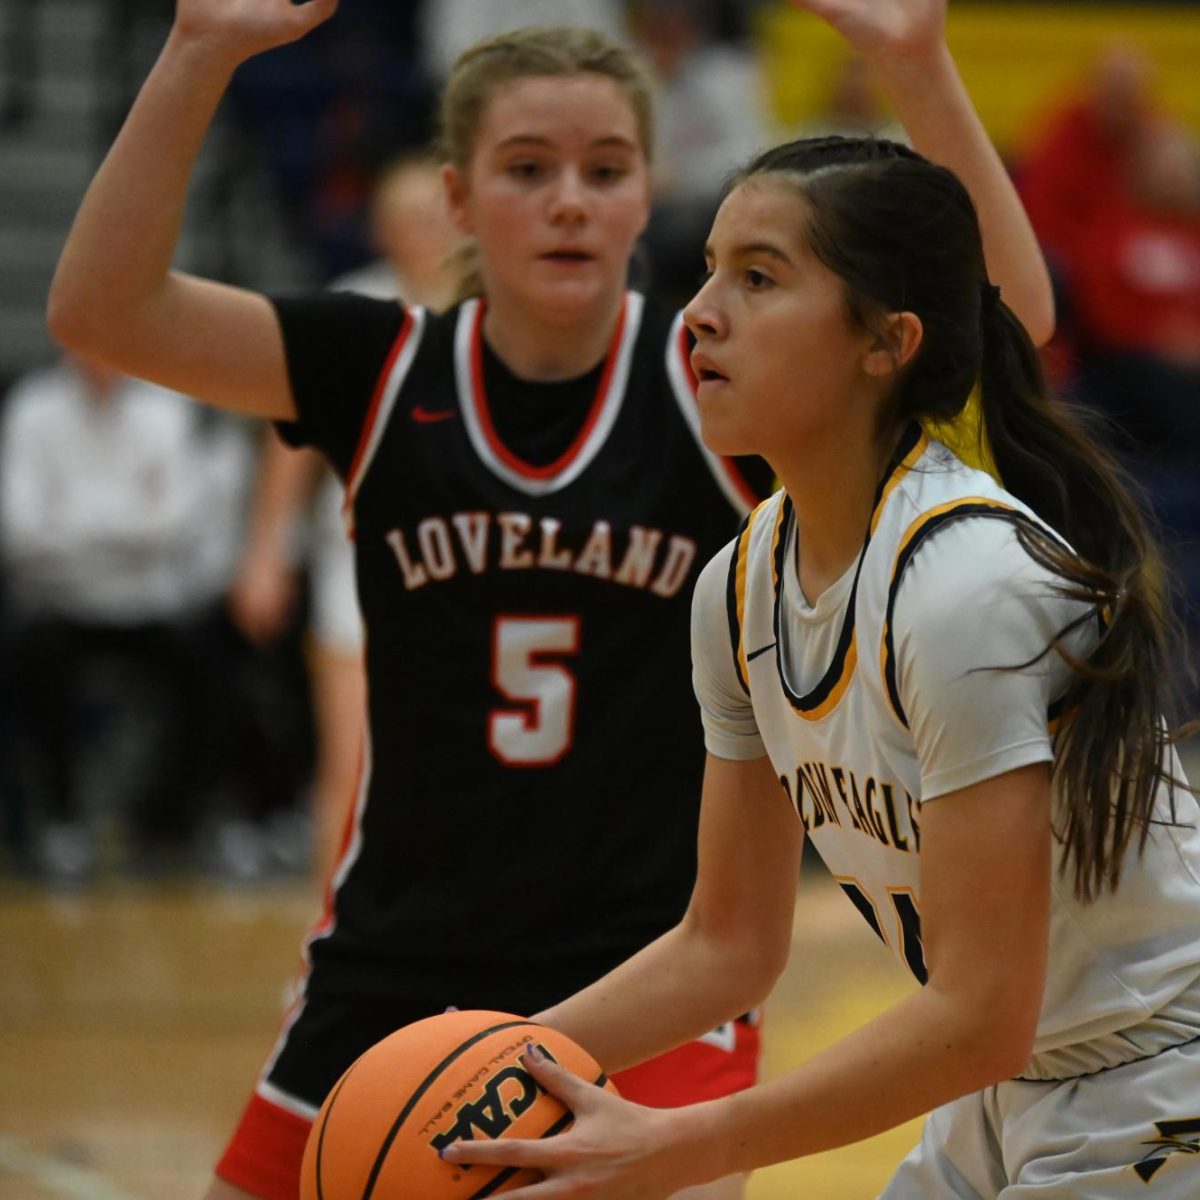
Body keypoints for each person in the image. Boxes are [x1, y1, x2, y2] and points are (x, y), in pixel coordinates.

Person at [45, 1, 1053, 1197]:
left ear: (647, 190)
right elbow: (103, 313)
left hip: (664, 969)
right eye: (528, 170)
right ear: (458, 200)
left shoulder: (716, 379)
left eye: (605, 168)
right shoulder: (379, 368)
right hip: (394, 970)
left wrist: (913, 62)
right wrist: (197, 48)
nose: (570, 198)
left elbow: (1001, 334)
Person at [436, 101, 1200, 1200]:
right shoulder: (740, 586)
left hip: (1160, 1082)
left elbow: (980, 1014)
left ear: (887, 342)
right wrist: (497, 1060)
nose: (697, 315)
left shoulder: (966, 588)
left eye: (758, 278)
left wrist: (677, 1142)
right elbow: (727, 945)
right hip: (1004, 1090)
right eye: (708, 272)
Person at [228, 149, 460, 890]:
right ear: (380, 230)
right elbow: (287, 444)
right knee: (353, 769)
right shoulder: (353, 307)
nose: (420, 232)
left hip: (484, 564)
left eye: (432, 215)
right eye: (403, 219)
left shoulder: (506, 313)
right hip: (361, 562)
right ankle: (336, 945)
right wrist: (266, 551)